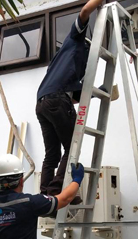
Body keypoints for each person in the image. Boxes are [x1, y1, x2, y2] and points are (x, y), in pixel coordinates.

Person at [35, 0, 104, 198]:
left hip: (42, 103)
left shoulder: (60, 63)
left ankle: (45, 194)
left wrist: (97, 92)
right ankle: (57, 191)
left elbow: (71, 98)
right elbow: (85, 10)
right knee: (71, 148)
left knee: (52, 154)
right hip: (57, 100)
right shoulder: (75, 40)